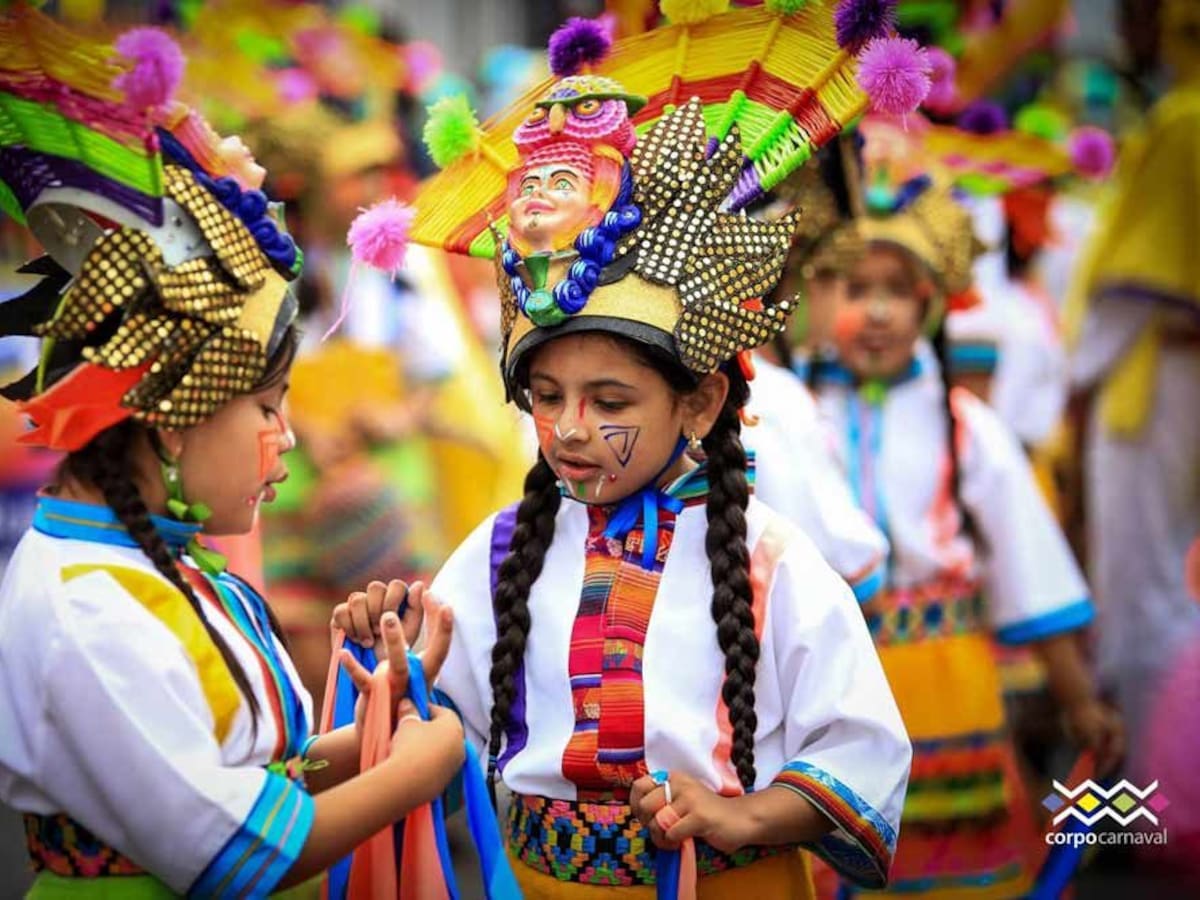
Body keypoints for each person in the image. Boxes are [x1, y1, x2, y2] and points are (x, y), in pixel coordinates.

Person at [336, 7, 917, 892]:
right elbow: (437, 734)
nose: (570, 428)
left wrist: (742, 815)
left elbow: (861, 747)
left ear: (701, 400)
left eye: (609, 402)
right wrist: (393, 676)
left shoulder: (768, 559)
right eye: (546, 397)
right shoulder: (500, 552)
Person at [0, 18, 462, 895]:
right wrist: (412, 772)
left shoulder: (150, 562)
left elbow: (247, 783)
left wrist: (381, 716)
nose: (286, 434)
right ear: (176, 418)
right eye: (267, 406)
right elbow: (235, 855)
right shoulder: (87, 606)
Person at [807, 180, 1124, 897]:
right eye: (856, 288)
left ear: (929, 305)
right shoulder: (792, 415)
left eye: (898, 290)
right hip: (825, 675)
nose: (878, 311)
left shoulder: (963, 425)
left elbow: (1028, 561)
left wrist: (1078, 699)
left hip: (944, 679)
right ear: (818, 298)